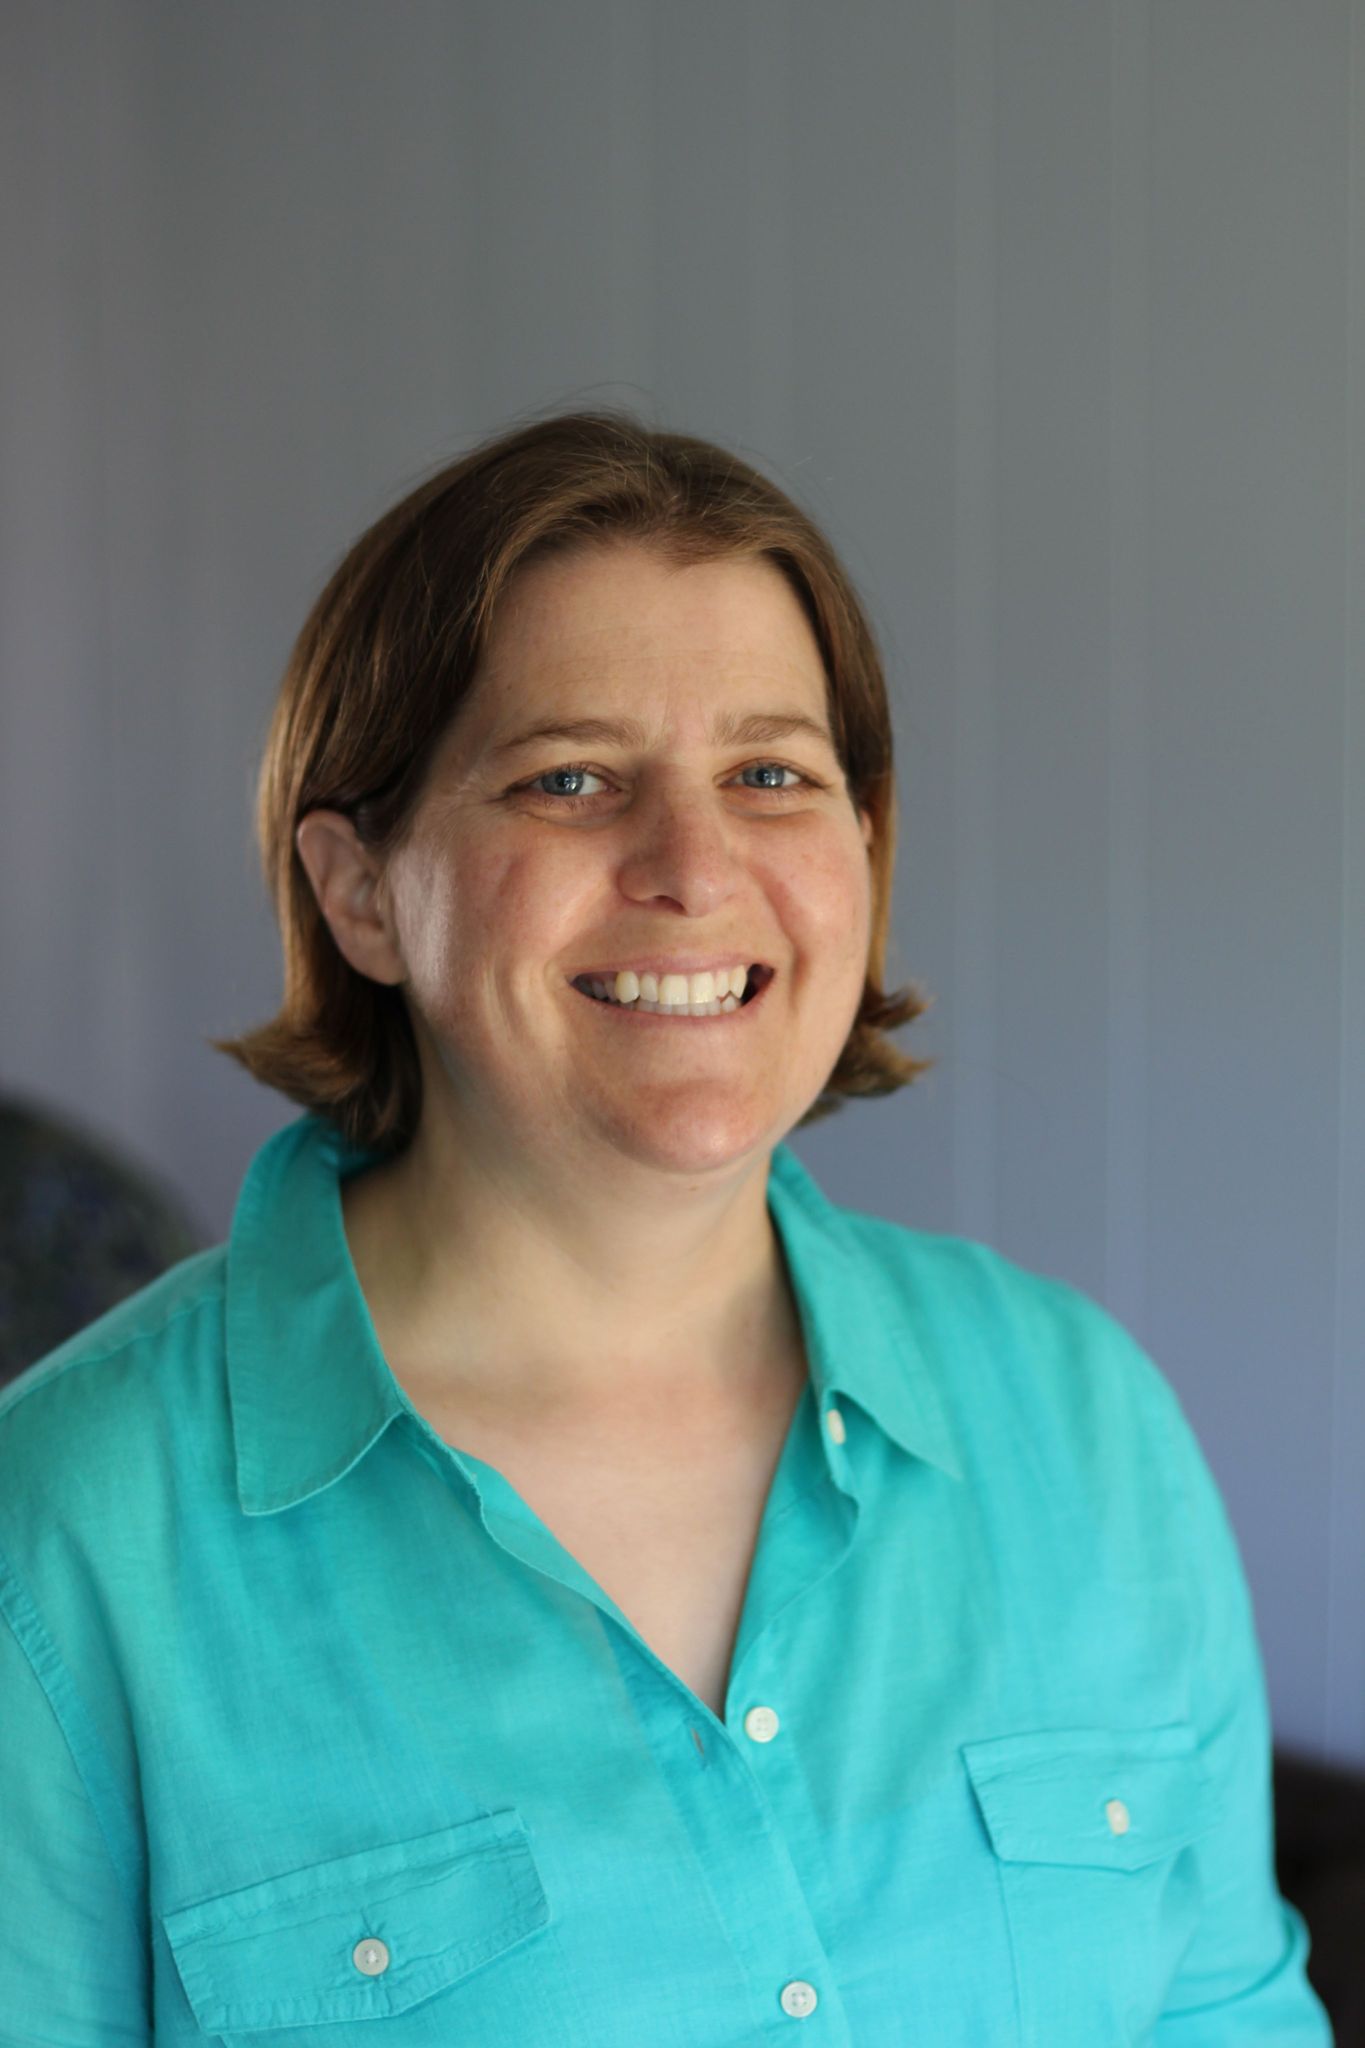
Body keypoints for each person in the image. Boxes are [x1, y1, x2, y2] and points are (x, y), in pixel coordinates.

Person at [0, 411, 1331, 2044]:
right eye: (570, 779)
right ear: (360, 892)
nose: (693, 870)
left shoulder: (1083, 1420)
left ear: (860, 850)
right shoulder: (63, 1538)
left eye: (770, 775)